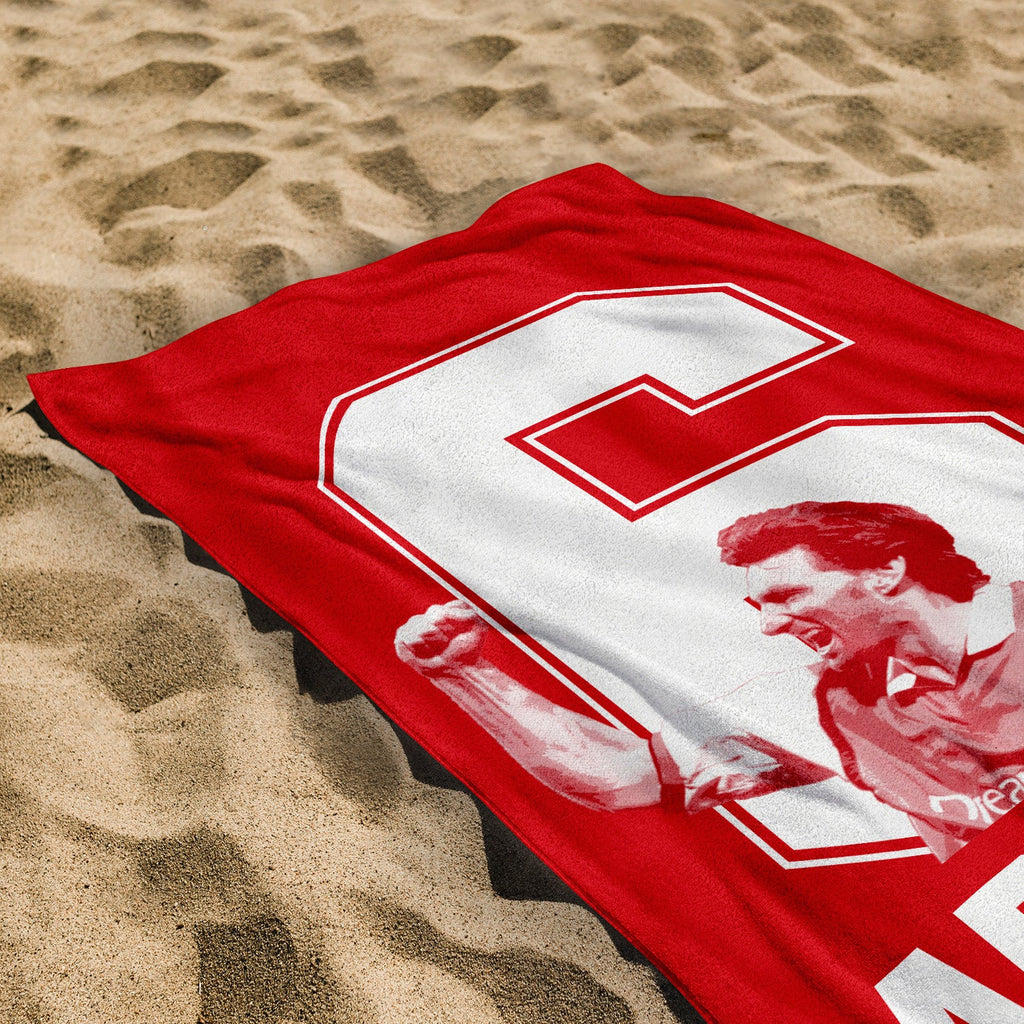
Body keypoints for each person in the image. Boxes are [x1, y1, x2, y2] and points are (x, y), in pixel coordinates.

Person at [394, 502, 1024, 861]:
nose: (771, 627)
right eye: (760, 607)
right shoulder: (824, 703)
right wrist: (466, 674)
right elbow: (619, 777)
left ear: (885, 573)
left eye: (787, 596)